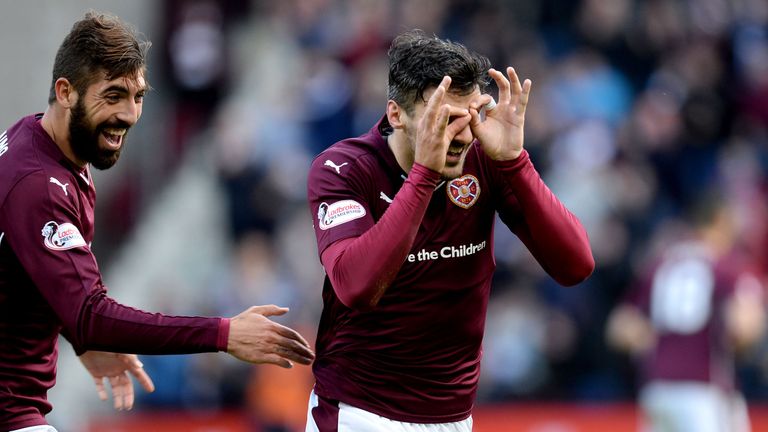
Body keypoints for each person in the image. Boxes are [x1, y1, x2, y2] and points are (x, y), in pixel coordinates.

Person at [0, 12, 314, 432]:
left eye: (138, 97)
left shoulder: (42, 145)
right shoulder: (39, 184)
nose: (129, 114)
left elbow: (34, 281)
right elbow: (91, 312)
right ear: (66, 92)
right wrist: (224, 334)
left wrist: (81, 336)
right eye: (113, 96)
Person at [305, 30, 595, 431]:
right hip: (360, 411)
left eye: (470, 117)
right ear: (396, 115)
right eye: (445, 120)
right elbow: (356, 287)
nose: (460, 135)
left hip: (454, 417)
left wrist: (515, 161)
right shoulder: (343, 169)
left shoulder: (487, 159)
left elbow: (576, 265)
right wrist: (423, 175)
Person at [606, 195, 766, 432]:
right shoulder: (726, 268)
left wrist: (653, 342)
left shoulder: (661, 264)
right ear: (721, 221)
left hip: (657, 389)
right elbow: (744, 326)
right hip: (704, 390)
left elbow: (620, 327)